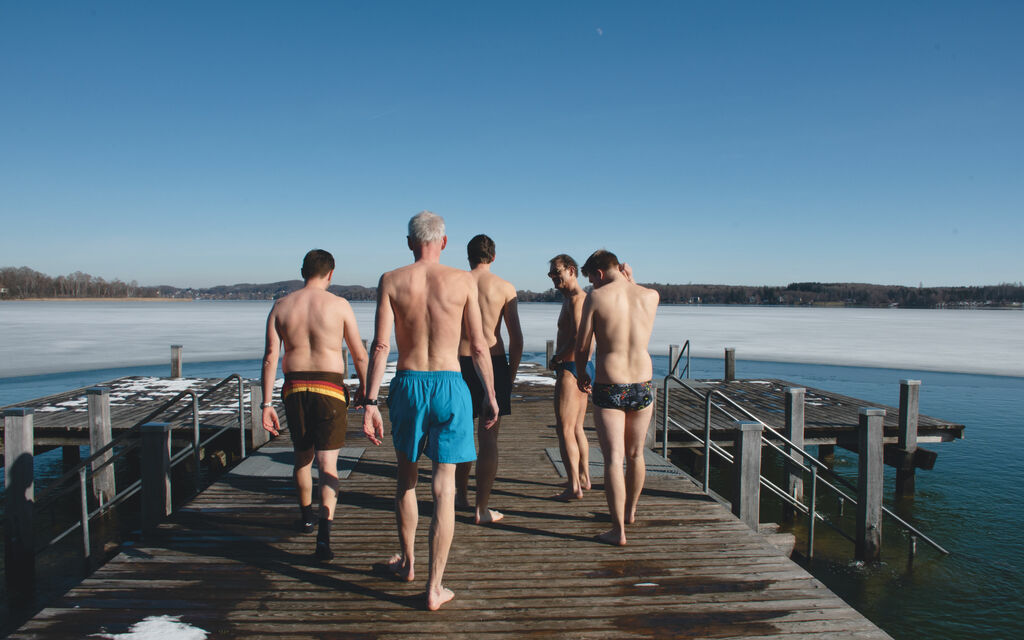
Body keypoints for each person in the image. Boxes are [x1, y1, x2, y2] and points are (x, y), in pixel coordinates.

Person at [362, 211, 499, 611]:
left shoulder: (391, 280)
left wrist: (370, 402)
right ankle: (434, 587)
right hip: (451, 383)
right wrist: (490, 394)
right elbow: (477, 346)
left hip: (407, 383)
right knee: (445, 487)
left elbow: (381, 346)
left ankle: (407, 563)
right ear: (443, 242)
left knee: (406, 477)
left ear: (409, 243)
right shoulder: (463, 281)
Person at [261, 249, 368, 561]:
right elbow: (359, 353)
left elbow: (270, 356)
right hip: (329, 389)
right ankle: (324, 536)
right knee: (328, 464)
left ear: (302, 271)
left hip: (294, 388)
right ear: (331, 274)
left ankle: (306, 516)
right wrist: (365, 389)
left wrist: (266, 403)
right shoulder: (339, 306)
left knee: (302, 459)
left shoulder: (281, 305)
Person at [574, 250, 659, 546]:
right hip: (642, 383)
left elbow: (583, 344)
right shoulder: (650, 296)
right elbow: (633, 295)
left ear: (598, 273)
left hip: (610, 383)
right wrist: (631, 278)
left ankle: (617, 529)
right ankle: (631, 511)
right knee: (636, 454)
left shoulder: (596, 298)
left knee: (613, 458)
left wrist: (582, 372)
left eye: (591, 279)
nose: (592, 285)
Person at [455, 234, 523, 524]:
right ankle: (481, 509)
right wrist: (510, 374)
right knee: (489, 437)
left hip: (458, 362)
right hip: (492, 362)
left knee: (459, 433)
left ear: (468, 256)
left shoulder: (456, 282)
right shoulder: (504, 287)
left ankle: (459, 495)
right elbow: (516, 338)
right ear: (493, 257)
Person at [546, 254, 594, 501]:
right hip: (581, 366)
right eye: (551, 274)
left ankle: (573, 485)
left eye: (557, 272)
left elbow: (578, 339)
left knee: (565, 429)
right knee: (576, 428)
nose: (553, 277)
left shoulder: (577, 300)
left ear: (571, 270)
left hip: (572, 366)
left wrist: (557, 359)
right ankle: (584, 477)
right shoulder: (571, 299)